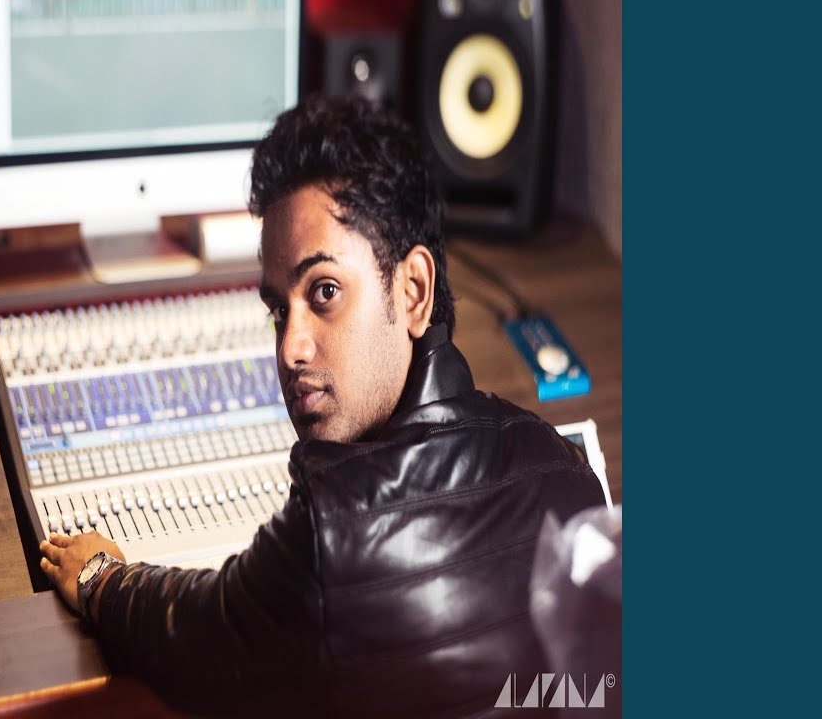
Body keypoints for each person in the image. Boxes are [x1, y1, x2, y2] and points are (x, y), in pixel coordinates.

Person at [38, 95, 606, 718]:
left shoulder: (329, 537)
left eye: (325, 291)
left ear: (413, 291)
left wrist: (101, 579)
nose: (290, 348)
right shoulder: (567, 472)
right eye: (278, 310)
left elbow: (196, 628)